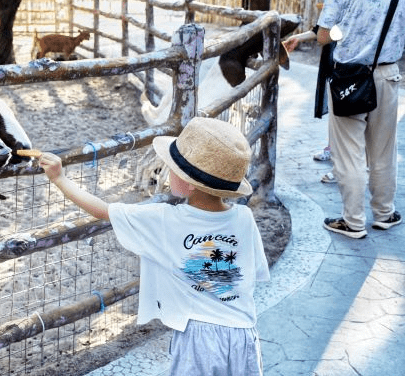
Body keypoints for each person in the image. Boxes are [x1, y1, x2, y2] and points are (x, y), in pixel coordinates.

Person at [39, 117, 270, 375]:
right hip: (245, 334)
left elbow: (104, 211)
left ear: (189, 183)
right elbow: (254, 273)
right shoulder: (243, 218)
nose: (166, 171)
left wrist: (59, 178)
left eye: (172, 167)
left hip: (197, 338)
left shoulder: (165, 219)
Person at [317, 0, 404, 238]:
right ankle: (384, 214)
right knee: (384, 151)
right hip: (387, 74)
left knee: (348, 154)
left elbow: (324, 37)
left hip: (349, 78)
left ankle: (353, 222)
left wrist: (345, 31)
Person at [283, 0, 341, 183]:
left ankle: (343, 167)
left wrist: (326, 33)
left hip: (346, 64)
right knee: (337, 113)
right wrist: (299, 38)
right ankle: (334, 149)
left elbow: (325, 35)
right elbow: (319, 30)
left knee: (349, 119)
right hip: (332, 62)